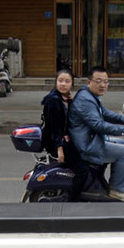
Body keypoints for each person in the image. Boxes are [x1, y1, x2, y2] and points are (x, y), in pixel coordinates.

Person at [68, 66, 124, 202]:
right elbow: (98, 125)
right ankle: (118, 190)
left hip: (89, 138)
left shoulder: (90, 95)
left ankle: (110, 182)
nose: (103, 85)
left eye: (105, 82)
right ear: (89, 82)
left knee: (122, 143)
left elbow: (104, 113)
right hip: (86, 144)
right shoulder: (86, 100)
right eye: (98, 81)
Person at [41, 69, 87, 200]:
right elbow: (55, 128)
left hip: (63, 139)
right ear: (55, 82)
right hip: (56, 142)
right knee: (83, 170)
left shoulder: (63, 98)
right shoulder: (54, 100)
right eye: (60, 81)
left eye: (67, 81)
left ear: (72, 84)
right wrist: (59, 149)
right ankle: (73, 200)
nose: (63, 84)